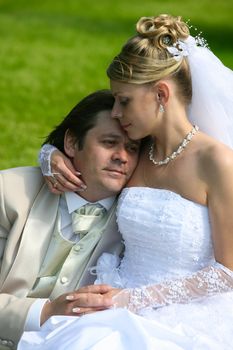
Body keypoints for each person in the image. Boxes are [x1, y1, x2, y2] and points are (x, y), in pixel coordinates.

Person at [19, 14, 233, 349]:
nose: (116, 112)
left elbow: (228, 273)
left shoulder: (217, 161)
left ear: (161, 94)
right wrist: (50, 155)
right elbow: (84, 144)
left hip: (183, 316)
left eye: (124, 100)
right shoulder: (138, 150)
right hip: (113, 294)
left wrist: (132, 300)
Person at [0, 89, 140, 349]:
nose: (122, 156)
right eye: (109, 142)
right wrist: (44, 312)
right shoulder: (8, 192)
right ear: (72, 143)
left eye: (132, 148)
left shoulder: (139, 225)